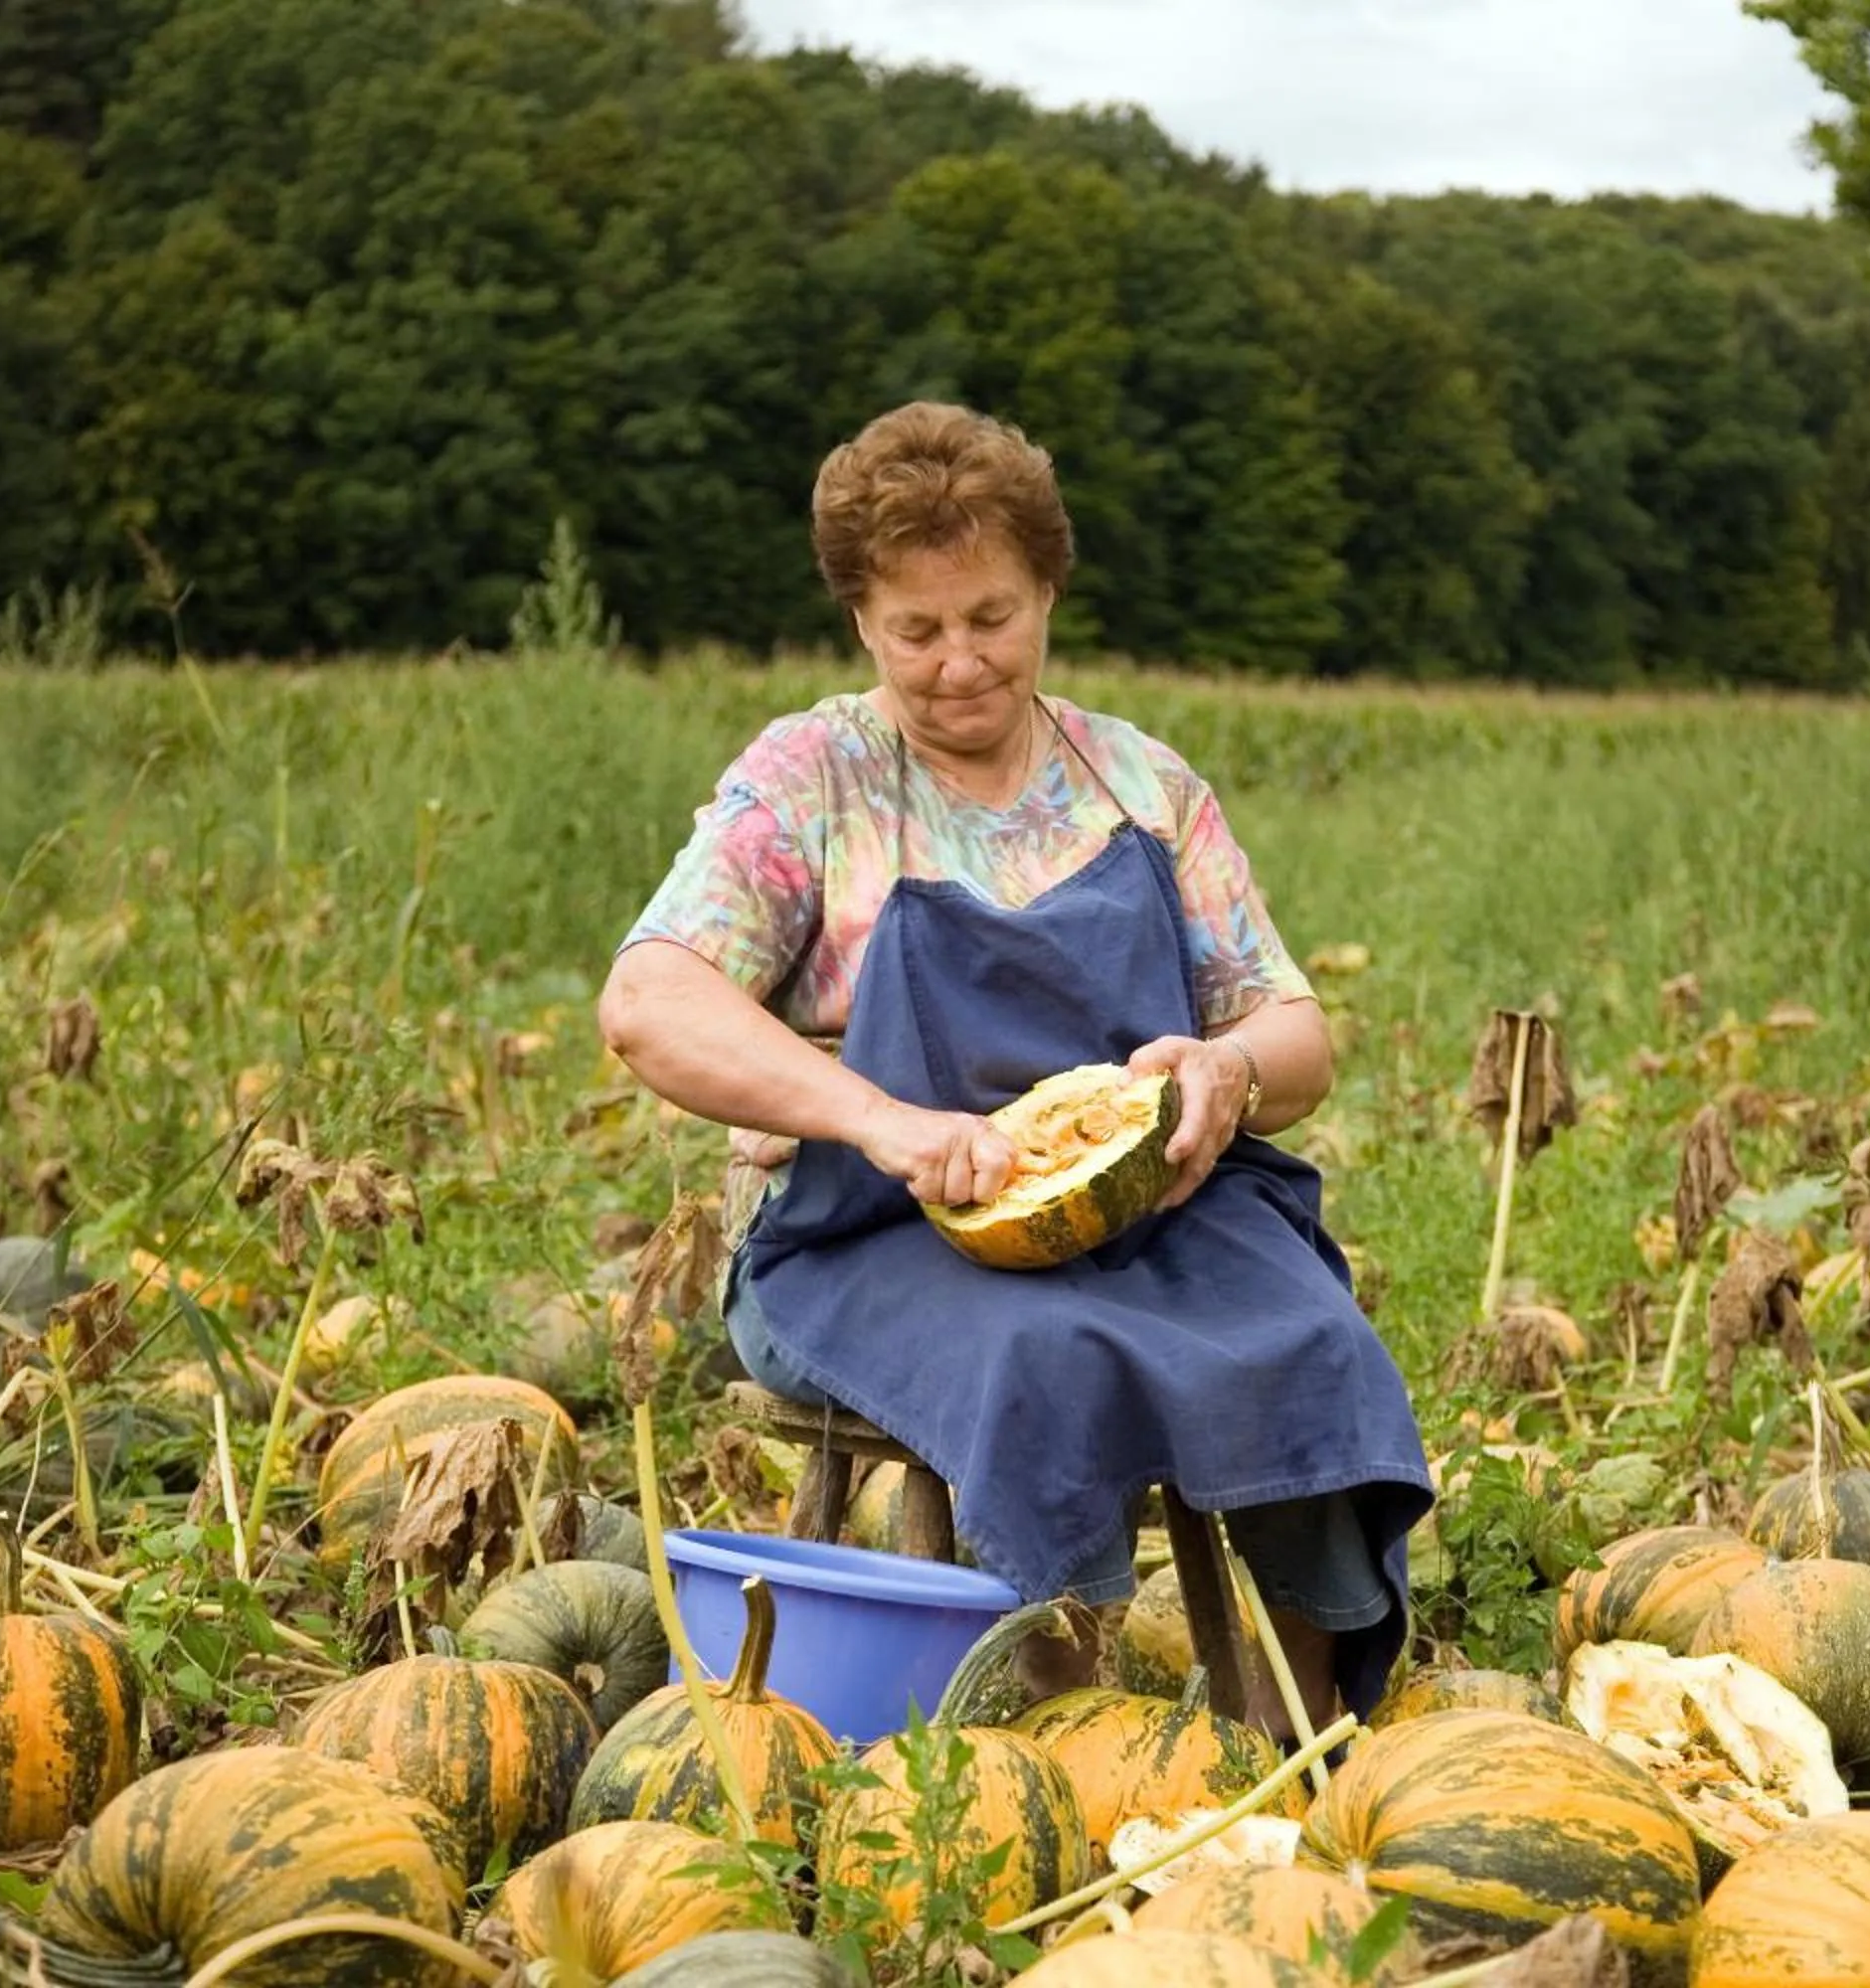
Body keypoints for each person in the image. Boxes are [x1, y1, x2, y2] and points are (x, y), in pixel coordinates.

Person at [596, 401, 1433, 1735]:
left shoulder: (1141, 785)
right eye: (914, 631)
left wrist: (1224, 1075)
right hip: (869, 1234)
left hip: (1153, 1210)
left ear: (1048, 588)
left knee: (1314, 1341)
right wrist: (881, 1123)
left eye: (991, 617)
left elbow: (1297, 1032)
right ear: (861, 621)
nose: (959, 663)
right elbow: (649, 1001)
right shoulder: (816, 779)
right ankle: (1061, 1735)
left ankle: (1298, 1735)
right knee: (1046, 1355)